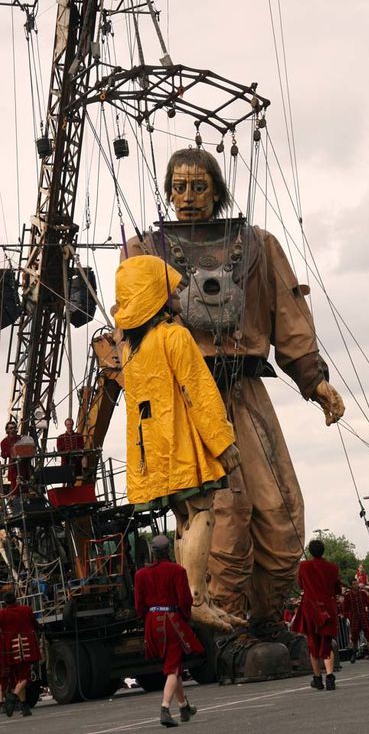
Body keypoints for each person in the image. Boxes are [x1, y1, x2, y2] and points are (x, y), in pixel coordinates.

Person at [122, 147, 345, 630]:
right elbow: (130, 336)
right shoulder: (143, 251)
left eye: (198, 187)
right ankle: (228, 631)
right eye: (178, 188)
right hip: (186, 400)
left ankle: (264, 620)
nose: (187, 197)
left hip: (245, 390)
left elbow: (288, 320)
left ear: (218, 191)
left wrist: (316, 381)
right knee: (223, 518)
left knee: (281, 514)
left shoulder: (258, 245)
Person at [114, 255, 242, 633]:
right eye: (166, 291)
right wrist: (222, 442)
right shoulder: (173, 336)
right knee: (203, 512)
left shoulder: (130, 351)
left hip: (150, 454)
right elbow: (199, 391)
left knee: (184, 519)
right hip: (180, 444)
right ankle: (196, 597)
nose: (174, 296)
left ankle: (195, 596)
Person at [135, 535, 203, 727]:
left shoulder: (140, 574)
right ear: (168, 551)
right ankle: (165, 708)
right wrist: (185, 616)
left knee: (174, 665)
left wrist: (145, 618)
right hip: (171, 621)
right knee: (173, 667)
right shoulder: (177, 571)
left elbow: (139, 605)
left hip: (151, 621)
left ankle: (184, 707)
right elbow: (185, 600)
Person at [291, 539, 341, 690]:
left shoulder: (304, 566)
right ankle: (330, 677)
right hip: (327, 608)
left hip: (310, 608)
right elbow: (337, 588)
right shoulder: (332, 568)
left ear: (311, 551)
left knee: (312, 643)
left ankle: (318, 678)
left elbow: (300, 584)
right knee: (326, 643)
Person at [0, 590, 41, 717]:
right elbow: (35, 624)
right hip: (26, 648)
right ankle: (13, 697)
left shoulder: (2, 613)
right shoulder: (26, 610)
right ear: (16, 599)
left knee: (17, 678)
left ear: (5, 602)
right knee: (25, 678)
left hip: (10, 650)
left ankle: (24, 706)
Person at [342, 579, 369, 662]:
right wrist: (346, 617)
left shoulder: (363, 594)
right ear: (351, 585)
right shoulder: (348, 596)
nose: (356, 585)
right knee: (354, 636)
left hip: (363, 616)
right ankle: (354, 653)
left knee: (368, 634)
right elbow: (345, 608)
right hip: (354, 617)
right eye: (354, 584)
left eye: (356, 583)